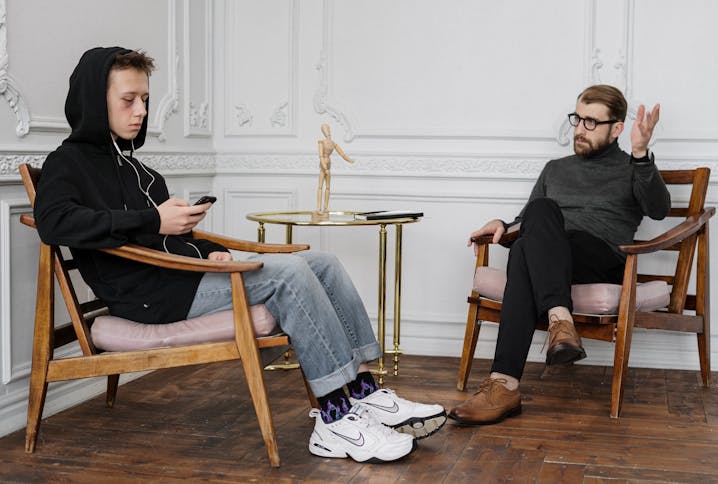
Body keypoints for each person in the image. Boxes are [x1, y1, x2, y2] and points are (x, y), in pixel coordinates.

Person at [33, 46, 446, 463]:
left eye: (144, 99)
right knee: (288, 274)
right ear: (93, 100)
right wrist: (153, 221)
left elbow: (174, 240)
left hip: (181, 276)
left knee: (324, 262)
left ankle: (363, 391)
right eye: (128, 100)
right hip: (151, 298)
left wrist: (212, 251)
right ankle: (334, 420)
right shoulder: (67, 163)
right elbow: (54, 223)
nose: (140, 110)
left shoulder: (139, 170)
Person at [449, 85, 671, 426]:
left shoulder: (631, 169)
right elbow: (529, 223)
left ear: (617, 129)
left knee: (532, 234)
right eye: (578, 119)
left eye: (592, 122)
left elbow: (659, 209)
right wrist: (503, 225)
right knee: (532, 225)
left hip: (600, 259)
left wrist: (641, 155)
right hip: (551, 260)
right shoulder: (555, 169)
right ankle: (554, 327)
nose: (580, 129)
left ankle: (505, 383)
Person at [316, 123, 353, 213]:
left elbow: (342, 154)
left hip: (328, 165)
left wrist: (350, 160)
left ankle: (325, 208)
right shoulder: (321, 142)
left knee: (328, 187)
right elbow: (320, 156)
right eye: (325, 129)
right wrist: (324, 167)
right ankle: (318, 208)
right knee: (320, 187)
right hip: (323, 165)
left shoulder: (333, 143)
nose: (327, 131)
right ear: (323, 132)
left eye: (328, 129)